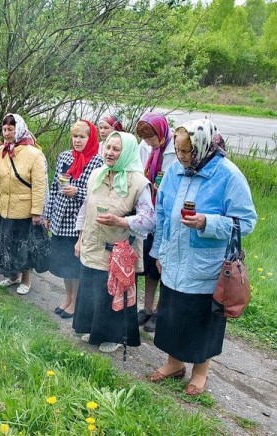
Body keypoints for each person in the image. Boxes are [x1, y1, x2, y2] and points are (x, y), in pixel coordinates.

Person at [149, 119, 256, 396]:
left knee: (200, 318)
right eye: (179, 150)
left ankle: (200, 371)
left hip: (206, 264)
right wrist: (159, 250)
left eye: (187, 151)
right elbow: (162, 215)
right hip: (174, 257)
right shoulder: (174, 172)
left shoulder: (228, 175)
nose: (182, 157)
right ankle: (174, 363)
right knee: (172, 312)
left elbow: (246, 221)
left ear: (203, 146)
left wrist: (207, 222)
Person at [73, 131, 155, 353]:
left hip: (118, 250)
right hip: (92, 243)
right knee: (93, 287)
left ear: (127, 152)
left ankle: (115, 336)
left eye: (116, 149)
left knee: (113, 292)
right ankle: (94, 329)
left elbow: (149, 220)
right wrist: (79, 238)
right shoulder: (97, 174)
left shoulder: (138, 182)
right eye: (108, 147)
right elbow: (85, 208)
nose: (109, 153)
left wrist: (121, 221)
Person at [0, 113, 47, 295]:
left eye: (11, 129)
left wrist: (37, 212)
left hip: (24, 209)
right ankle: (13, 275)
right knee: (7, 243)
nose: (7, 133)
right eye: (4, 129)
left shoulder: (34, 153)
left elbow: (40, 186)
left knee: (23, 245)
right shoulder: (2, 151)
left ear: (20, 129)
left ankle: (26, 279)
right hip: (4, 206)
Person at [43, 120, 103, 319]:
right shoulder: (64, 157)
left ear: (90, 138)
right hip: (60, 218)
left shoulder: (97, 162)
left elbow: (98, 195)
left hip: (78, 221)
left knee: (74, 264)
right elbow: (53, 187)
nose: (77, 141)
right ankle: (68, 296)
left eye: (82, 137)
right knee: (62, 263)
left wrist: (78, 191)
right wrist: (48, 214)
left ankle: (76, 301)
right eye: (75, 137)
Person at [135, 111, 177, 333]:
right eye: (145, 139)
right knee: (150, 264)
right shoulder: (145, 148)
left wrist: (162, 191)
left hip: (167, 212)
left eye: (152, 138)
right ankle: (147, 308)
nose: (149, 143)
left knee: (163, 264)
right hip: (148, 210)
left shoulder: (174, 149)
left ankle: (160, 311)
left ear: (161, 132)